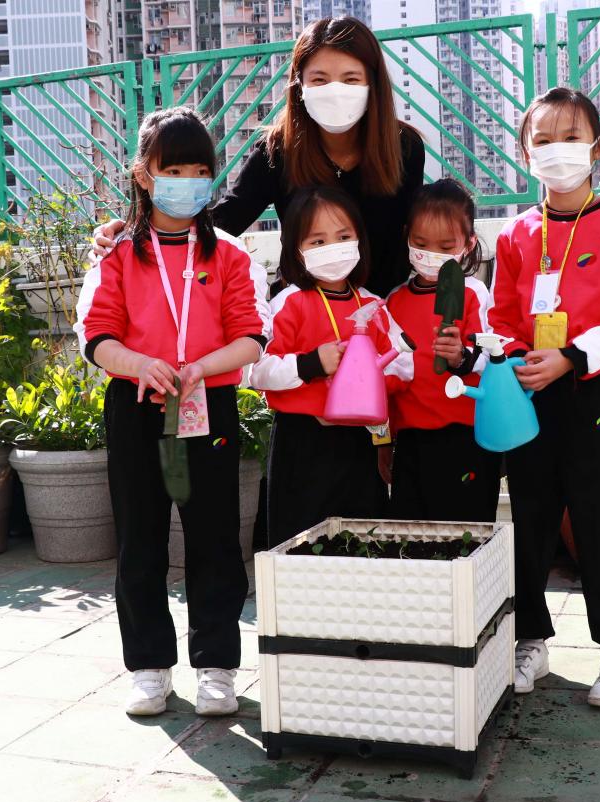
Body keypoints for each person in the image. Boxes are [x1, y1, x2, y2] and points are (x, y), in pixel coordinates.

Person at [73, 107, 270, 718]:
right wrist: (138, 364)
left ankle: (217, 667)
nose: (188, 181)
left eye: (200, 170)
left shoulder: (230, 254)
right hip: (136, 407)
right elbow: (96, 337)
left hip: (207, 405)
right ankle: (149, 668)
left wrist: (202, 368)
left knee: (215, 538)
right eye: (173, 170)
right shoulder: (117, 255)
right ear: (143, 174)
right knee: (140, 539)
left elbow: (252, 336)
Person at [489, 87, 600, 708]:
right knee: (529, 519)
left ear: (597, 147)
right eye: (543, 140)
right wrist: (518, 356)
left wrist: (572, 356)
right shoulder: (516, 233)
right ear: (524, 152)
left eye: (571, 137)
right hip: (529, 388)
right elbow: (501, 313)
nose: (557, 150)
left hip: (596, 388)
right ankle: (529, 638)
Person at [91, 16, 425, 297]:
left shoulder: (404, 147)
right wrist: (134, 231)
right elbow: (225, 220)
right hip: (301, 313)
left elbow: (418, 229)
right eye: (319, 80)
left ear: (372, 84)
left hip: (384, 313)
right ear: (300, 86)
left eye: (350, 79)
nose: (334, 91)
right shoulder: (279, 150)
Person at [250, 185, 413, 546]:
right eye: (318, 241)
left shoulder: (373, 304)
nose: (333, 248)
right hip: (302, 441)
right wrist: (311, 364)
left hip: (358, 441)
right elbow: (258, 371)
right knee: (298, 545)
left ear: (360, 240)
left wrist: (370, 378)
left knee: (362, 541)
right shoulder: (289, 302)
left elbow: (404, 365)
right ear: (296, 249)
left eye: (343, 237)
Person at [385, 178, 501, 523]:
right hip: (410, 440)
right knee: (413, 534)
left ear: (469, 243)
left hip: (466, 435)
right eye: (420, 243)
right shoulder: (393, 301)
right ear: (406, 236)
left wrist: (461, 357)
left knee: (468, 533)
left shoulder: (473, 293)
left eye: (446, 246)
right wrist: (383, 441)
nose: (431, 254)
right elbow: (387, 375)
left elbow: (493, 355)